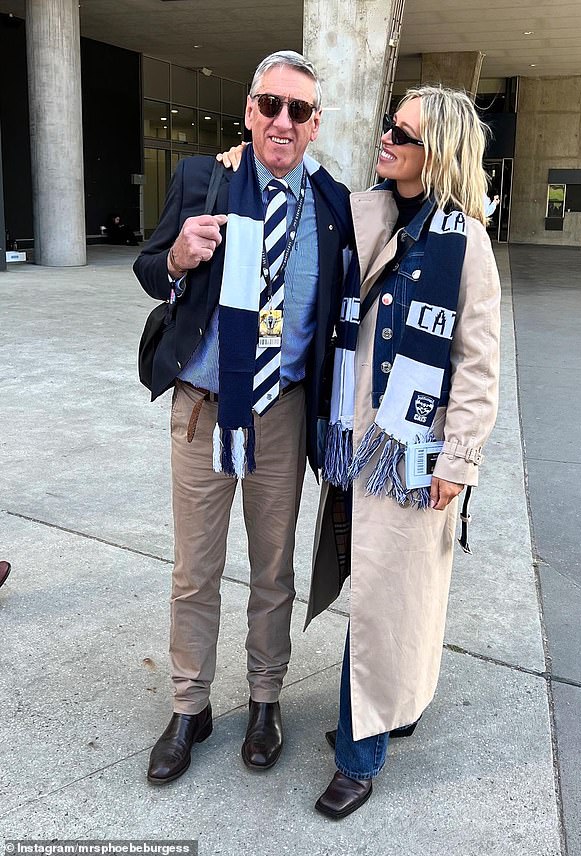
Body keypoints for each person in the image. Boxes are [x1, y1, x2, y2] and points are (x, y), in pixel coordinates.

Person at [133, 50, 351, 785]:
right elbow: (147, 264)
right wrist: (177, 261)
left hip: (280, 414)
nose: (281, 121)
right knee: (194, 571)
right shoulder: (205, 177)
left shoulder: (333, 205)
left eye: (298, 110)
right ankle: (190, 705)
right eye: (269, 105)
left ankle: (264, 700)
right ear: (250, 110)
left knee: (272, 571)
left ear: (316, 124)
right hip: (202, 411)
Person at [305, 85, 502, 818]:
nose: (385, 138)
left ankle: (361, 752)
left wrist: (461, 459)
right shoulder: (372, 210)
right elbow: (313, 200)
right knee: (392, 590)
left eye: (402, 133)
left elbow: (479, 364)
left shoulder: (467, 242)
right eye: (389, 126)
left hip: (416, 448)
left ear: (438, 153)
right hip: (360, 439)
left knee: (389, 596)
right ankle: (397, 704)